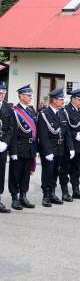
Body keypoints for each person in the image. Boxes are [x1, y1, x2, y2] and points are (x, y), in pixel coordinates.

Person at [37, 88, 75, 207]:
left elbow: (67, 132)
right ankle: (46, 196)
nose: (63, 101)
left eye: (63, 99)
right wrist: (47, 151)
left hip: (60, 148)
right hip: (49, 149)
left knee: (56, 172)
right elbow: (43, 135)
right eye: (60, 99)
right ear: (53, 100)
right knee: (47, 172)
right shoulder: (44, 114)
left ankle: (52, 193)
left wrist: (71, 148)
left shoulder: (62, 113)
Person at [59, 89, 80, 201]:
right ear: (72, 99)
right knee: (65, 168)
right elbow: (64, 129)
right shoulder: (65, 111)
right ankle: (65, 192)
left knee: (76, 168)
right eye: (79, 99)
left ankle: (76, 190)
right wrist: (74, 135)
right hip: (69, 144)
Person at [0, 83, 14, 213]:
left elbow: (11, 129)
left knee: (0, 173)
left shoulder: (7, 108)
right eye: (0, 91)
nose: (2, 94)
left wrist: (5, 143)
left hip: (2, 147)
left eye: (4, 92)